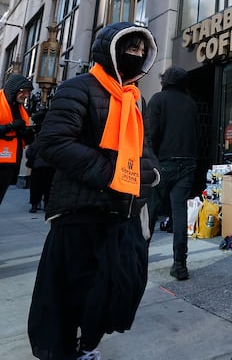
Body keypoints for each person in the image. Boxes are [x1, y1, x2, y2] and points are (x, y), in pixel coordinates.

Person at [28, 22, 159, 360]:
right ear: (111, 50)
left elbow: (140, 147)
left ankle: (88, 343)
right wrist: (110, 174)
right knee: (69, 292)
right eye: (131, 48)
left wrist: (154, 173)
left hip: (123, 210)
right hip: (80, 210)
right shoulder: (78, 88)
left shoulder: (135, 99)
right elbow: (53, 143)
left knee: (121, 286)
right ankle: (63, 352)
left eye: (143, 51)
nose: (138, 55)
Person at [146, 66, 199, 281]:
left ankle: (139, 256)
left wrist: (150, 162)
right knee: (179, 214)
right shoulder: (191, 104)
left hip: (162, 163)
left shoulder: (158, 100)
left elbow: (151, 134)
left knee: (149, 211)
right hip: (187, 163)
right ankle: (180, 264)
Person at [0, 73, 34, 205]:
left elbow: (27, 138)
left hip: (9, 162)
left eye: (28, 92)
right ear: (14, 89)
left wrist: (27, 134)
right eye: (24, 91)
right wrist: (9, 127)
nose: (26, 95)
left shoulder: (21, 109)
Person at [25, 109, 55, 213]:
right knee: (48, 186)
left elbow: (29, 152)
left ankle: (34, 204)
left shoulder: (35, 134)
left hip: (37, 166)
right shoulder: (53, 133)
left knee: (35, 186)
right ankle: (47, 203)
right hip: (51, 165)